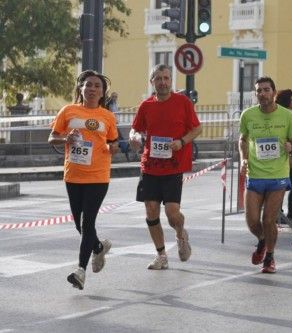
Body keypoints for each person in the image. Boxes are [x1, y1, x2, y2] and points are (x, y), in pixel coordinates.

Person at [48, 70, 119, 290]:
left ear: (102, 92)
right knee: (79, 224)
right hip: (73, 175)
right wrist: (64, 138)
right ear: (81, 88)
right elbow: (52, 137)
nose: (92, 89)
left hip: (98, 175)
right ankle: (98, 247)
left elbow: (114, 143)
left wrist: (112, 148)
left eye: (97, 86)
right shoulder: (68, 111)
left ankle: (80, 270)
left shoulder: (107, 116)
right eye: (88, 85)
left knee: (88, 222)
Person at [129, 64, 202, 270]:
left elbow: (197, 128)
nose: (163, 82)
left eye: (166, 78)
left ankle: (180, 234)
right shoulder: (146, 106)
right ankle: (161, 255)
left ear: (171, 81)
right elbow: (136, 129)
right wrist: (134, 137)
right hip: (150, 166)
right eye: (158, 78)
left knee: (172, 213)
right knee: (151, 210)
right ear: (152, 82)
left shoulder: (183, 102)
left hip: (173, 166)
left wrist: (182, 141)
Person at [239, 77, 292, 273]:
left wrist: (291, 147)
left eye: (266, 90)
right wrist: (243, 158)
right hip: (254, 174)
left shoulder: (287, 116)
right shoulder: (248, 115)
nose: (262, 94)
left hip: (278, 176)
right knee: (252, 221)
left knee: (268, 220)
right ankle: (263, 240)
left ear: (274, 92)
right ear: (255, 95)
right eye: (259, 91)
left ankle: (270, 257)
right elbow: (242, 140)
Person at [275, 89, 292, 224]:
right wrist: (290, 155)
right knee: (291, 186)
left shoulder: (288, 115)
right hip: (288, 155)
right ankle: (285, 213)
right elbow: (285, 138)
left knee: (291, 186)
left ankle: (288, 213)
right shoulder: (286, 116)